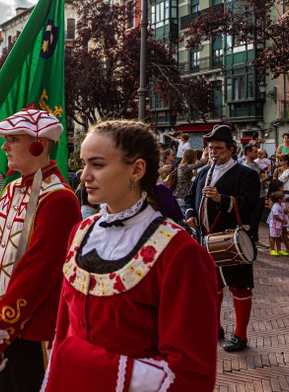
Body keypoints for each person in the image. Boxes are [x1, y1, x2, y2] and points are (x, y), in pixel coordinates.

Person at [44, 120, 218, 390]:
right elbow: (63, 327)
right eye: (84, 164)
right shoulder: (81, 232)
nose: (84, 175)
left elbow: (191, 372)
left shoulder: (179, 252)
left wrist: (82, 362)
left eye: (97, 164)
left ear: (137, 169)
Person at [0, 108, 81, 392]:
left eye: (13, 139)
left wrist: (0, 328)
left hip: (32, 331)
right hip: (0, 323)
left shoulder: (59, 199)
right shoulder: (10, 189)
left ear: (39, 144)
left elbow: (38, 273)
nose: (4, 146)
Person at [184, 124, 260, 352]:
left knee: (239, 287)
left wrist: (222, 199)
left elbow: (250, 205)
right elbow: (189, 198)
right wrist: (190, 214)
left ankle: (240, 335)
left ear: (231, 149)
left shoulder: (246, 174)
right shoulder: (203, 173)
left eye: (218, 149)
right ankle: (214, 327)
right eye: (211, 149)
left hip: (231, 239)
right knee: (212, 285)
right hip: (205, 238)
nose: (213, 153)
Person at [267, 190, 288, 256]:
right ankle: (272, 249)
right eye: (283, 197)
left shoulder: (280, 206)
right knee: (273, 237)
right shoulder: (275, 206)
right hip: (274, 225)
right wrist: (283, 220)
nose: (285, 198)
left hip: (278, 225)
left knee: (278, 237)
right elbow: (275, 216)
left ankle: (279, 250)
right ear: (279, 199)